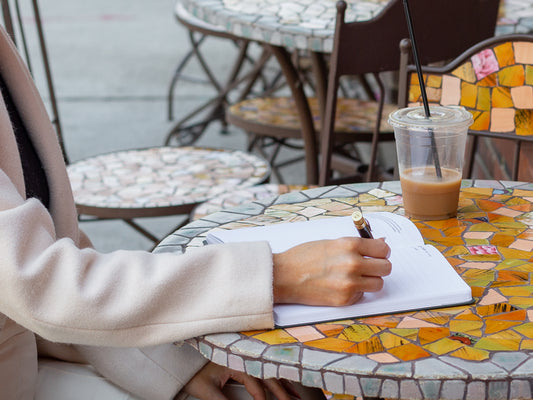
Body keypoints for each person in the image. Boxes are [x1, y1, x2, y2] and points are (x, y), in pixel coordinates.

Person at [0, 25, 392, 400]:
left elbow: (42, 280)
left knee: (288, 387)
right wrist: (278, 275)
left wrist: (170, 364)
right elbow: (37, 283)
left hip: (38, 358)